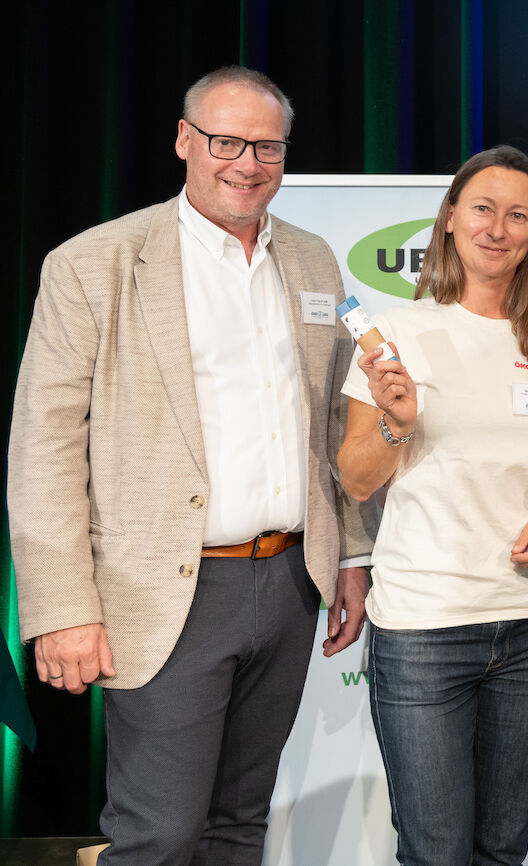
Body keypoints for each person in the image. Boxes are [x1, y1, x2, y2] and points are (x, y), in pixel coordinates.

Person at [8, 66, 370, 865]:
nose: (246, 162)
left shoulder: (311, 261)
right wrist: (62, 606)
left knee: (238, 825)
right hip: (165, 586)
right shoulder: (93, 264)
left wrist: (350, 555)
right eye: (225, 141)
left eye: (266, 146)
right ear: (184, 141)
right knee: (160, 835)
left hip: (286, 583)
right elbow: (45, 445)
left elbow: (335, 424)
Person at [337, 145, 528, 866]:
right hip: (423, 630)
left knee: (502, 848)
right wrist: (397, 422)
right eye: (482, 208)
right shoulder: (397, 336)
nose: (498, 227)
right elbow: (357, 479)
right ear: (450, 219)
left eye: (518, 215)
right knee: (436, 851)